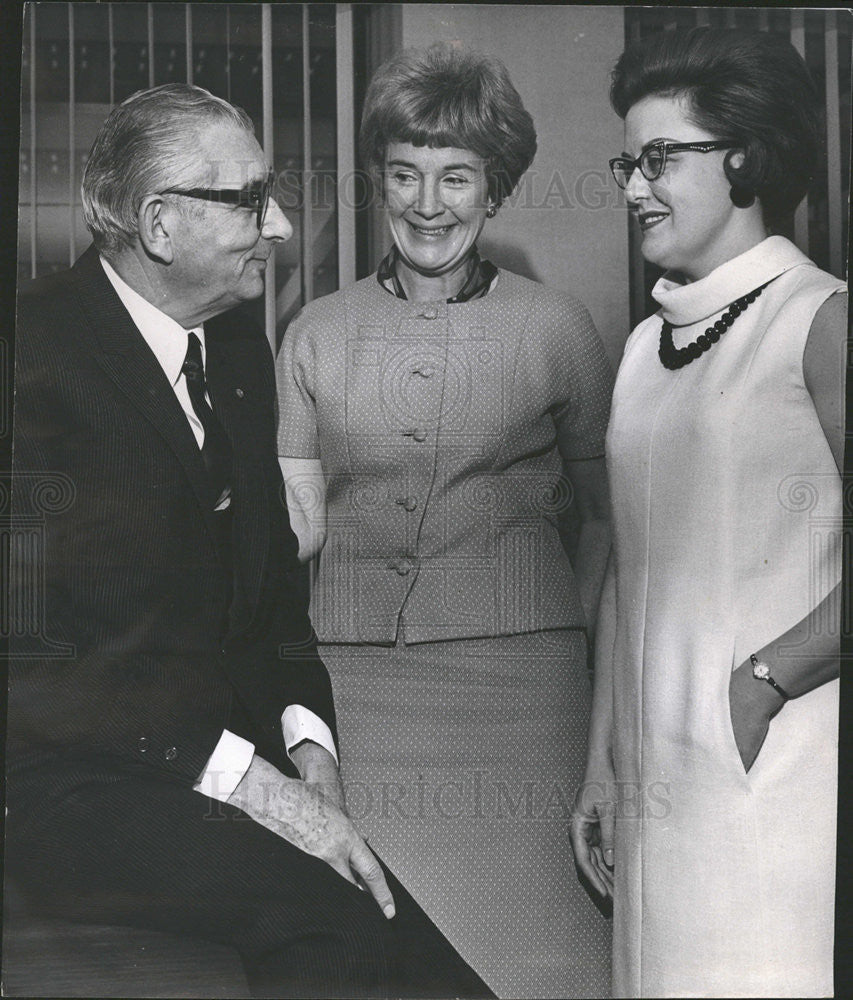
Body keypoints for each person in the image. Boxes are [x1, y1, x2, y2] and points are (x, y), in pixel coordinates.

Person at [6, 82, 493, 1000]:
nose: (276, 224)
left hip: (207, 764)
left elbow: (269, 596)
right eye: (246, 199)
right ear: (158, 223)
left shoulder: (236, 349)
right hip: (67, 784)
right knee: (328, 913)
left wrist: (310, 750)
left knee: (415, 954)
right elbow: (52, 671)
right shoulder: (33, 355)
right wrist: (261, 790)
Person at [277, 43, 613, 1000]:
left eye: (456, 176)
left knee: (547, 959)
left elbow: (606, 521)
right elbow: (295, 528)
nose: (429, 204)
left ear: (494, 187)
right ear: (378, 179)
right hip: (360, 693)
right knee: (385, 953)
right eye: (405, 173)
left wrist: (570, 636)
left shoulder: (558, 329)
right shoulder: (315, 333)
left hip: (531, 698)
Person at [570, 28, 847, 999]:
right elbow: (626, 570)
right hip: (650, 789)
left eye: (658, 160)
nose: (633, 187)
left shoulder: (819, 319)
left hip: (767, 778)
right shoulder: (646, 345)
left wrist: (764, 682)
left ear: (744, 157)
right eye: (628, 161)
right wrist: (603, 759)